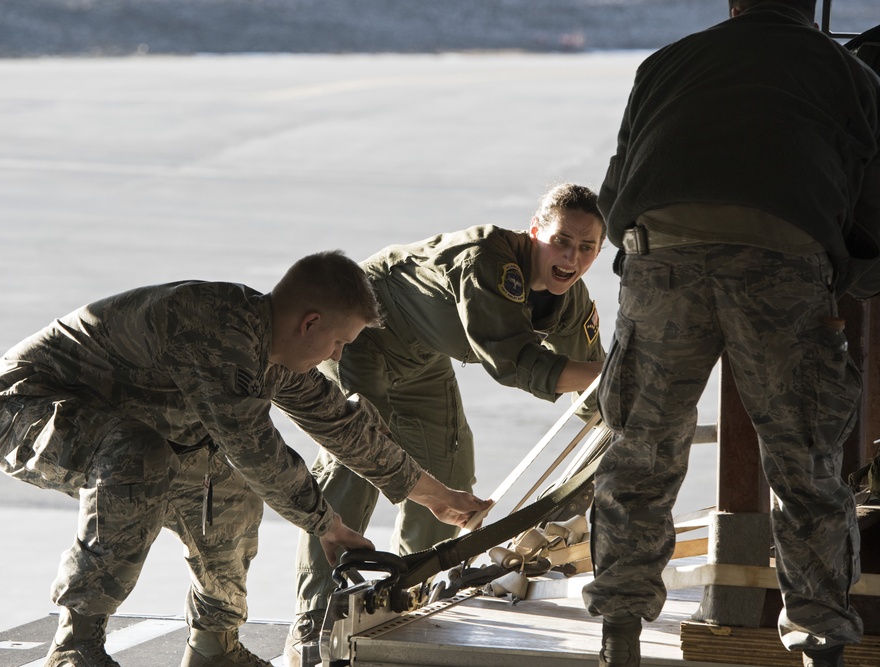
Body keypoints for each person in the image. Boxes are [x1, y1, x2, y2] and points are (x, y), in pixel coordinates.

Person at [0, 251, 490, 667]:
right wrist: (329, 526)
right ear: (310, 322)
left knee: (230, 485)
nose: (336, 356)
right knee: (143, 458)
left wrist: (438, 498)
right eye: (338, 342)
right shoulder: (216, 333)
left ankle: (214, 645)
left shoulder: (269, 345)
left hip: (129, 423)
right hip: (23, 408)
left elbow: (344, 428)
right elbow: (256, 448)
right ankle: (75, 646)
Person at [580, 2, 880, 666]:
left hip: (661, 255)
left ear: (735, 4)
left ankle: (620, 635)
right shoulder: (850, 74)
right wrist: (846, 274)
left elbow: (616, 188)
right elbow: (870, 210)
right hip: (781, 259)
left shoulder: (667, 63)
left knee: (641, 452)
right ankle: (821, 643)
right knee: (805, 465)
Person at [288, 182, 608, 665]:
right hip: (365, 334)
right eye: (562, 241)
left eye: (587, 247)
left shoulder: (572, 301)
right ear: (535, 231)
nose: (572, 256)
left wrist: (616, 408)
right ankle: (315, 620)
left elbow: (595, 386)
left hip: (421, 357)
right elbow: (516, 362)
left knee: (450, 476)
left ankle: (415, 599)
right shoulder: (490, 262)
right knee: (359, 461)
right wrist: (618, 381)